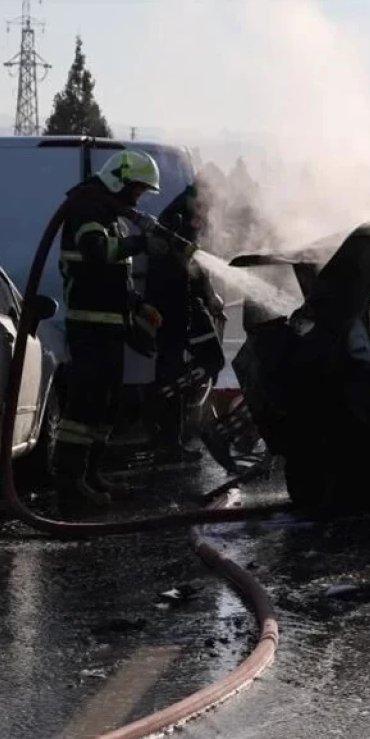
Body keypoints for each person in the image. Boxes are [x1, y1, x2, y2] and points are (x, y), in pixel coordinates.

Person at [52, 150, 177, 514]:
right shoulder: (86, 209)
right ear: (120, 180)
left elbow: (111, 274)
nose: (138, 198)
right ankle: (70, 485)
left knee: (106, 406)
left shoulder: (109, 213)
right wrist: (140, 243)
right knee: (84, 407)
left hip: (110, 323)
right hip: (89, 324)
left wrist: (137, 304)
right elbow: (96, 252)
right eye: (137, 189)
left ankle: (91, 475)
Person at [147, 182, 229, 469]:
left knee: (175, 367)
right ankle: (169, 395)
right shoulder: (178, 221)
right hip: (179, 305)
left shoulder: (179, 216)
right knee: (213, 360)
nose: (207, 213)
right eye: (205, 204)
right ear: (195, 198)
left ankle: (170, 439)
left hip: (176, 305)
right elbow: (189, 262)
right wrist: (208, 294)